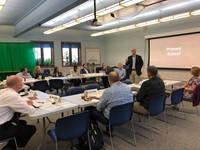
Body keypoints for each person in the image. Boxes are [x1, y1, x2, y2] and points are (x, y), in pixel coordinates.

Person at [0, 75, 36, 150]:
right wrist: (31, 104)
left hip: (3, 122)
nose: (22, 84)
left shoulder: (3, 91)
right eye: (21, 82)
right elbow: (31, 111)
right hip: (2, 128)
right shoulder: (13, 95)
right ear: (18, 85)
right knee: (31, 129)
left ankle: (13, 142)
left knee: (22, 122)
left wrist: (25, 101)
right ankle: (11, 147)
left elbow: (14, 101)